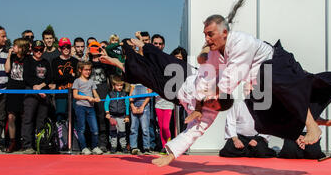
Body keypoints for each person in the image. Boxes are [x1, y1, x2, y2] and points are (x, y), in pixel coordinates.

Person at [198, 0, 331, 148]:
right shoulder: (216, 51)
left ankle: (312, 125)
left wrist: (214, 93)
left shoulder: (241, 42)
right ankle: (312, 116)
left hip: (277, 65)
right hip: (263, 81)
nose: (207, 38)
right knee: (263, 116)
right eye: (205, 35)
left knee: (279, 83)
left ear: (224, 33)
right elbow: (205, 65)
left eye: (211, 34)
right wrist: (204, 55)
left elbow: (233, 73)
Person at [99, 39, 234, 166]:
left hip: (175, 94)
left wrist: (172, 155)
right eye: (212, 100)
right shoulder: (217, 79)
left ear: (216, 110)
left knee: (143, 74)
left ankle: (119, 63)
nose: (209, 103)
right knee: (161, 58)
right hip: (186, 73)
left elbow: (191, 134)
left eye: (211, 106)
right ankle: (143, 45)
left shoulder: (208, 117)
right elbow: (212, 59)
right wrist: (208, 45)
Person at [21, 40, 53, 154]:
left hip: (44, 92)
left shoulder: (46, 62)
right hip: (31, 91)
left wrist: (42, 86)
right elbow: (26, 77)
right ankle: (27, 145)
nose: (38, 52)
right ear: (32, 50)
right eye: (36, 50)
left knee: (41, 120)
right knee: (28, 118)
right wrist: (36, 87)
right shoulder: (28, 60)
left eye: (40, 49)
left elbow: (49, 77)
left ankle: (40, 144)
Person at [4, 38, 30, 153]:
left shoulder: (28, 59)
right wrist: (9, 56)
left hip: (23, 90)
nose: (13, 47)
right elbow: (7, 70)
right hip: (12, 90)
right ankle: (12, 141)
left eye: (15, 46)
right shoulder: (12, 57)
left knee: (24, 117)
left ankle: (25, 142)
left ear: (21, 48)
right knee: (11, 117)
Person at [88, 39, 114, 152]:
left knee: (102, 117)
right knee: (91, 117)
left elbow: (112, 70)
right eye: (92, 48)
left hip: (103, 90)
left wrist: (105, 55)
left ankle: (103, 143)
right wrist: (88, 55)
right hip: (89, 91)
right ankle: (92, 143)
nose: (95, 51)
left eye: (96, 48)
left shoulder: (104, 62)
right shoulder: (87, 62)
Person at [72, 61, 102, 155]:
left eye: (89, 70)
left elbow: (95, 92)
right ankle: (84, 148)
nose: (88, 72)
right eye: (86, 70)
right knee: (81, 129)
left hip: (90, 108)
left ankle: (94, 147)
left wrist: (97, 98)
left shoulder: (91, 81)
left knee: (95, 129)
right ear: (80, 70)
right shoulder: (77, 81)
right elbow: (75, 95)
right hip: (80, 107)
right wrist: (87, 97)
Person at [51, 37, 78, 122]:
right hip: (60, 93)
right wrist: (70, 75)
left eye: (68, 47)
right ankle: (60, 135)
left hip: (73, 93)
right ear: (59, 48)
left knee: (74, 116)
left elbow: (76, 78)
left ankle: (73, 134)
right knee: (60, 115)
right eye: (63, 47)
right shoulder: (55, 61)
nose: (66, 49)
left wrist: (66, 77)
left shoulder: (75, 61)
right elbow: (56, 78)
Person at [0, 26, 11, 152]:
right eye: (2, 36)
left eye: (5, 36)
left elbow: (8, 70)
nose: (5, 38)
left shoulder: (6, 52)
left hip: (4, 90)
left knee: (0, 118)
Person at [104, 76, 130, 154]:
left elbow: (127, 104)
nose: (119, 87)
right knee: (113, 132)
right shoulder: (110, 94)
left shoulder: (125, 94)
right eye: (117, 85)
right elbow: (106, 103)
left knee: (122, 132)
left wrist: (127, 116)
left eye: (121, 85)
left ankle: (123, 147)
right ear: (113, 85)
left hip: (122, 116)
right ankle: (113, 147)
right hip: (112, 117)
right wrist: (107, 113)